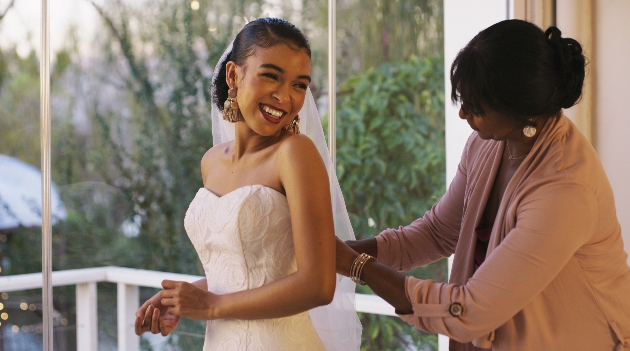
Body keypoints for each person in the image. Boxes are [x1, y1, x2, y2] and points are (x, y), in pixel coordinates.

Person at [336, 19, 630, 351]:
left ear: (522, 111)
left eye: (476, 107)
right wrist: (342, 251)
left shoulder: (565, 190)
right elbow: (437, 232)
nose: (463, 115)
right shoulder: (488, 143)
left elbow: (470, 311)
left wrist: (354, 265)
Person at [133, 17, 361, 351]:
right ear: (233, 75)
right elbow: (245, 273)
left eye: (299, 85)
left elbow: (319, 284)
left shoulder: (295, 154)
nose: (285, 96)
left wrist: (209, 306)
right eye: (271, 76)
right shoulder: (211, 162)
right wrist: (184, 297)